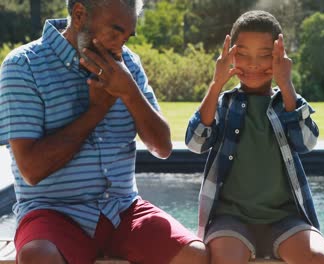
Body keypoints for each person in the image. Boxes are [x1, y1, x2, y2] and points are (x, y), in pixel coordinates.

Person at [0, 0, 208, 263]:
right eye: (114, 31)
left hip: (122, 209)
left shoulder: (128, 64)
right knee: (37, 256)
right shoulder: (23, 66)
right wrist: (97, 110)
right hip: (52, 212)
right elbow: (31, 169)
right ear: (79, 14)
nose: (120, 44)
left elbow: (163, 148)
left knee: (194, 255)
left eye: (127, 35)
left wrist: (129, 91)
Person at [185, 10, 324, 264]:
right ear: (231, 56)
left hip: (286, 219)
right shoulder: (224, 104)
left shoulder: (286, 103)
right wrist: (216, 84)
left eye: (265, 55)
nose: (253, 64)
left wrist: (287, 85)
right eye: (242, 54)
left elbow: (307, 142)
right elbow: (195, 142)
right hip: (230, 219)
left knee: (323, 259)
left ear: (280, 57)